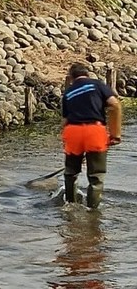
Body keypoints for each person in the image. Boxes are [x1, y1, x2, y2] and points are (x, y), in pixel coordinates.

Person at [62, 62, 121, 208]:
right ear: (87, 74)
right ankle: (92, 213)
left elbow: (64, 122)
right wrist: (115, 134)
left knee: (71, 173)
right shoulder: (97, 84)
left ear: (71, 77)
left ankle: (70, 206)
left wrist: (76, 149)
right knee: (96, 176)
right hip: (95, 131)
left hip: (73, 132)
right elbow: (115, 105)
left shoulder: (68, 92)